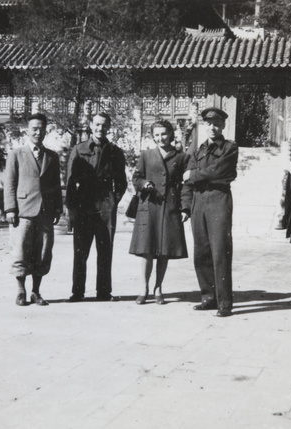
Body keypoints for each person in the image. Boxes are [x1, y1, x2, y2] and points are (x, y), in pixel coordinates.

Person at [181, 107, 238, 317]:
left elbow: (221, 171)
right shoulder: (199, 150)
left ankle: (224, 302)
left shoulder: (230, 148)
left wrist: (193, 175)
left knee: (220, 251)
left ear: (223, 126)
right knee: (201, 252)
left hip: (218, 200)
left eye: (216, 124)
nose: (212, 127)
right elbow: (186, 181)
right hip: (199, 202)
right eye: (208, 124)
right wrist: (185, 206)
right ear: (204, 126)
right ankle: (208, 297)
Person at [66, 112, 127, 302]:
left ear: (109, 127)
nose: (101, 129)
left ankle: (103, 292)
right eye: (98, 125)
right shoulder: (79, 149)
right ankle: (77, 291)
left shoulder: (115, 151)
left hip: (105, 204)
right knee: (80, 250)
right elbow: (69, 181)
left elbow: (122, 181)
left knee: (105, 248)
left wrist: (113, 200)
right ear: (91, 125)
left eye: (105, 125)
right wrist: (72, 207)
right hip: (84, 202)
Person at [4, 113, 63, 306]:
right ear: (27, 131)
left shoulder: (52, 157)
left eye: (41, 128)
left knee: (43, 252)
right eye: (34, 128)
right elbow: (10, 183)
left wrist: (57, 209)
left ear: (46, 131)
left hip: (45, 212)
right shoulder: (16, 154)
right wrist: (10, 208)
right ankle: (21, 291)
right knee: (20, 251)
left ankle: (36, 292)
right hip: (23, 212)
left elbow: (55, 185)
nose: (38, 132)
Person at [129, 120, 189, 305]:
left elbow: (186, 185)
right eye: (156, 135)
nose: (160, 138)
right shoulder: (146, 155)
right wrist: (143, 183)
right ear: (152, 136)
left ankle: (158, 288)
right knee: (146, 250)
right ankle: (144, 288)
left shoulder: (181, 157)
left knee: (164, 251)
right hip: (150, 206)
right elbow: (136, 177)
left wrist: (185, 207)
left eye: (163, 134)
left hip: (170, 207)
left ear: (171, 134)